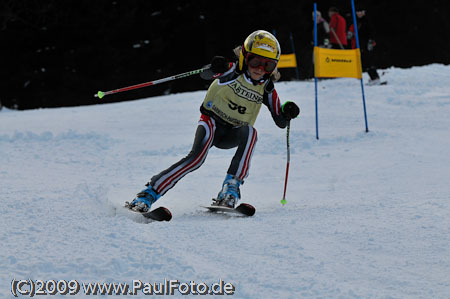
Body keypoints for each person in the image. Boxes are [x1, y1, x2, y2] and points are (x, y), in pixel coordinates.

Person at [127, 30, 300, 212]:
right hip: (211, 124)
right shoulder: (232, 70)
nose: (260, 69)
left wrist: (287, 110)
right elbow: (207, 74)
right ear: (244, 58)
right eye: (255, 61)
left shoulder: (266, 87)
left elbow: (281, 121)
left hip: (233, 132)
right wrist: (215, 67)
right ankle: (147, 194)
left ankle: (230, 190)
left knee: (250, 132)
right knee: (196, 159)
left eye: (268, 65)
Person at [347, 8, 381, 85]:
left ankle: (375, 77)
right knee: (364, 61)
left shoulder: (366, 21)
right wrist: (351, 34)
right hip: (359, 44)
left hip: (366, 44)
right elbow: (352, 31)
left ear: (364, 12)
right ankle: (373, 77)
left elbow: (371, 32)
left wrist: (371, 41)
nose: (359, 13)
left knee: (367, 61)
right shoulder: (356, 21)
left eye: (360, 12)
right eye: (357, 12)